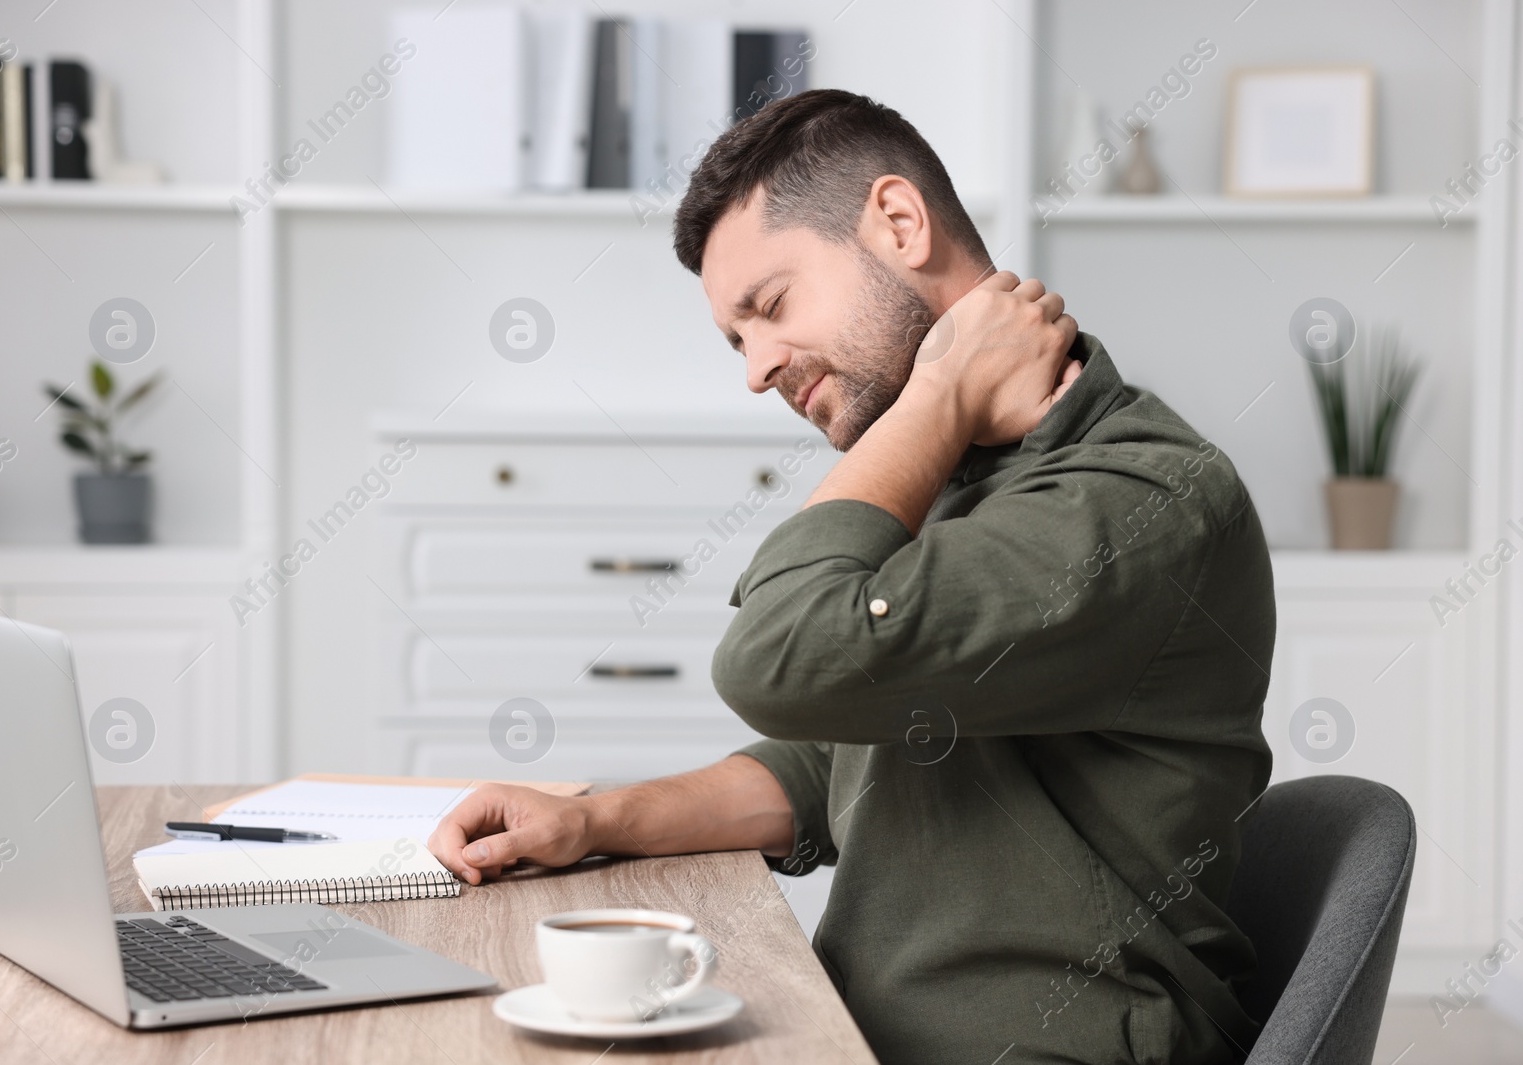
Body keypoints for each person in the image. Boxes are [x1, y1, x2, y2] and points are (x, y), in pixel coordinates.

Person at [429, 89, 1274, 1064]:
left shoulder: (1138, 496)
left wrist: (942, 388)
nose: (754, 369)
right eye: (735, 339)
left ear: (899, 224)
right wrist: (591, 820)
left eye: (770, 306)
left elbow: (777, 655)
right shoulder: (960, 479)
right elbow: (838, 759)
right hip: (856, 1027)